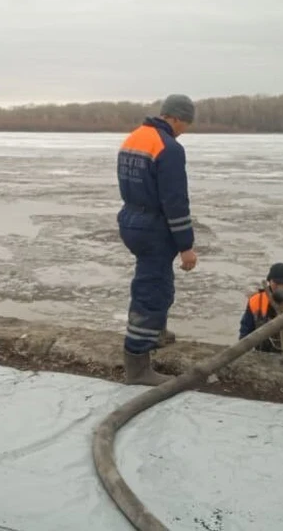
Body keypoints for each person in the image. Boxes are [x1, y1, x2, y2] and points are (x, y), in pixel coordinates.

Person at [116, 94, 198, 385]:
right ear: (174, 118)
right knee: (152, 291)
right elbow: (175, 201)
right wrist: (186, 245)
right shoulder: (169, 148)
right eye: (185, 123)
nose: (184, 129)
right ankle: (138, 365)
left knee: (157, 282)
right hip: (153, 228)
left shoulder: (134, 138)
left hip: (131, 220)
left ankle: (156, 334)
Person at [239, 262, 283, 355]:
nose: (280, 287)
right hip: (263, 354)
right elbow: (245, 330)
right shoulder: (256, 300)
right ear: (269, 281)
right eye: (276, 283)